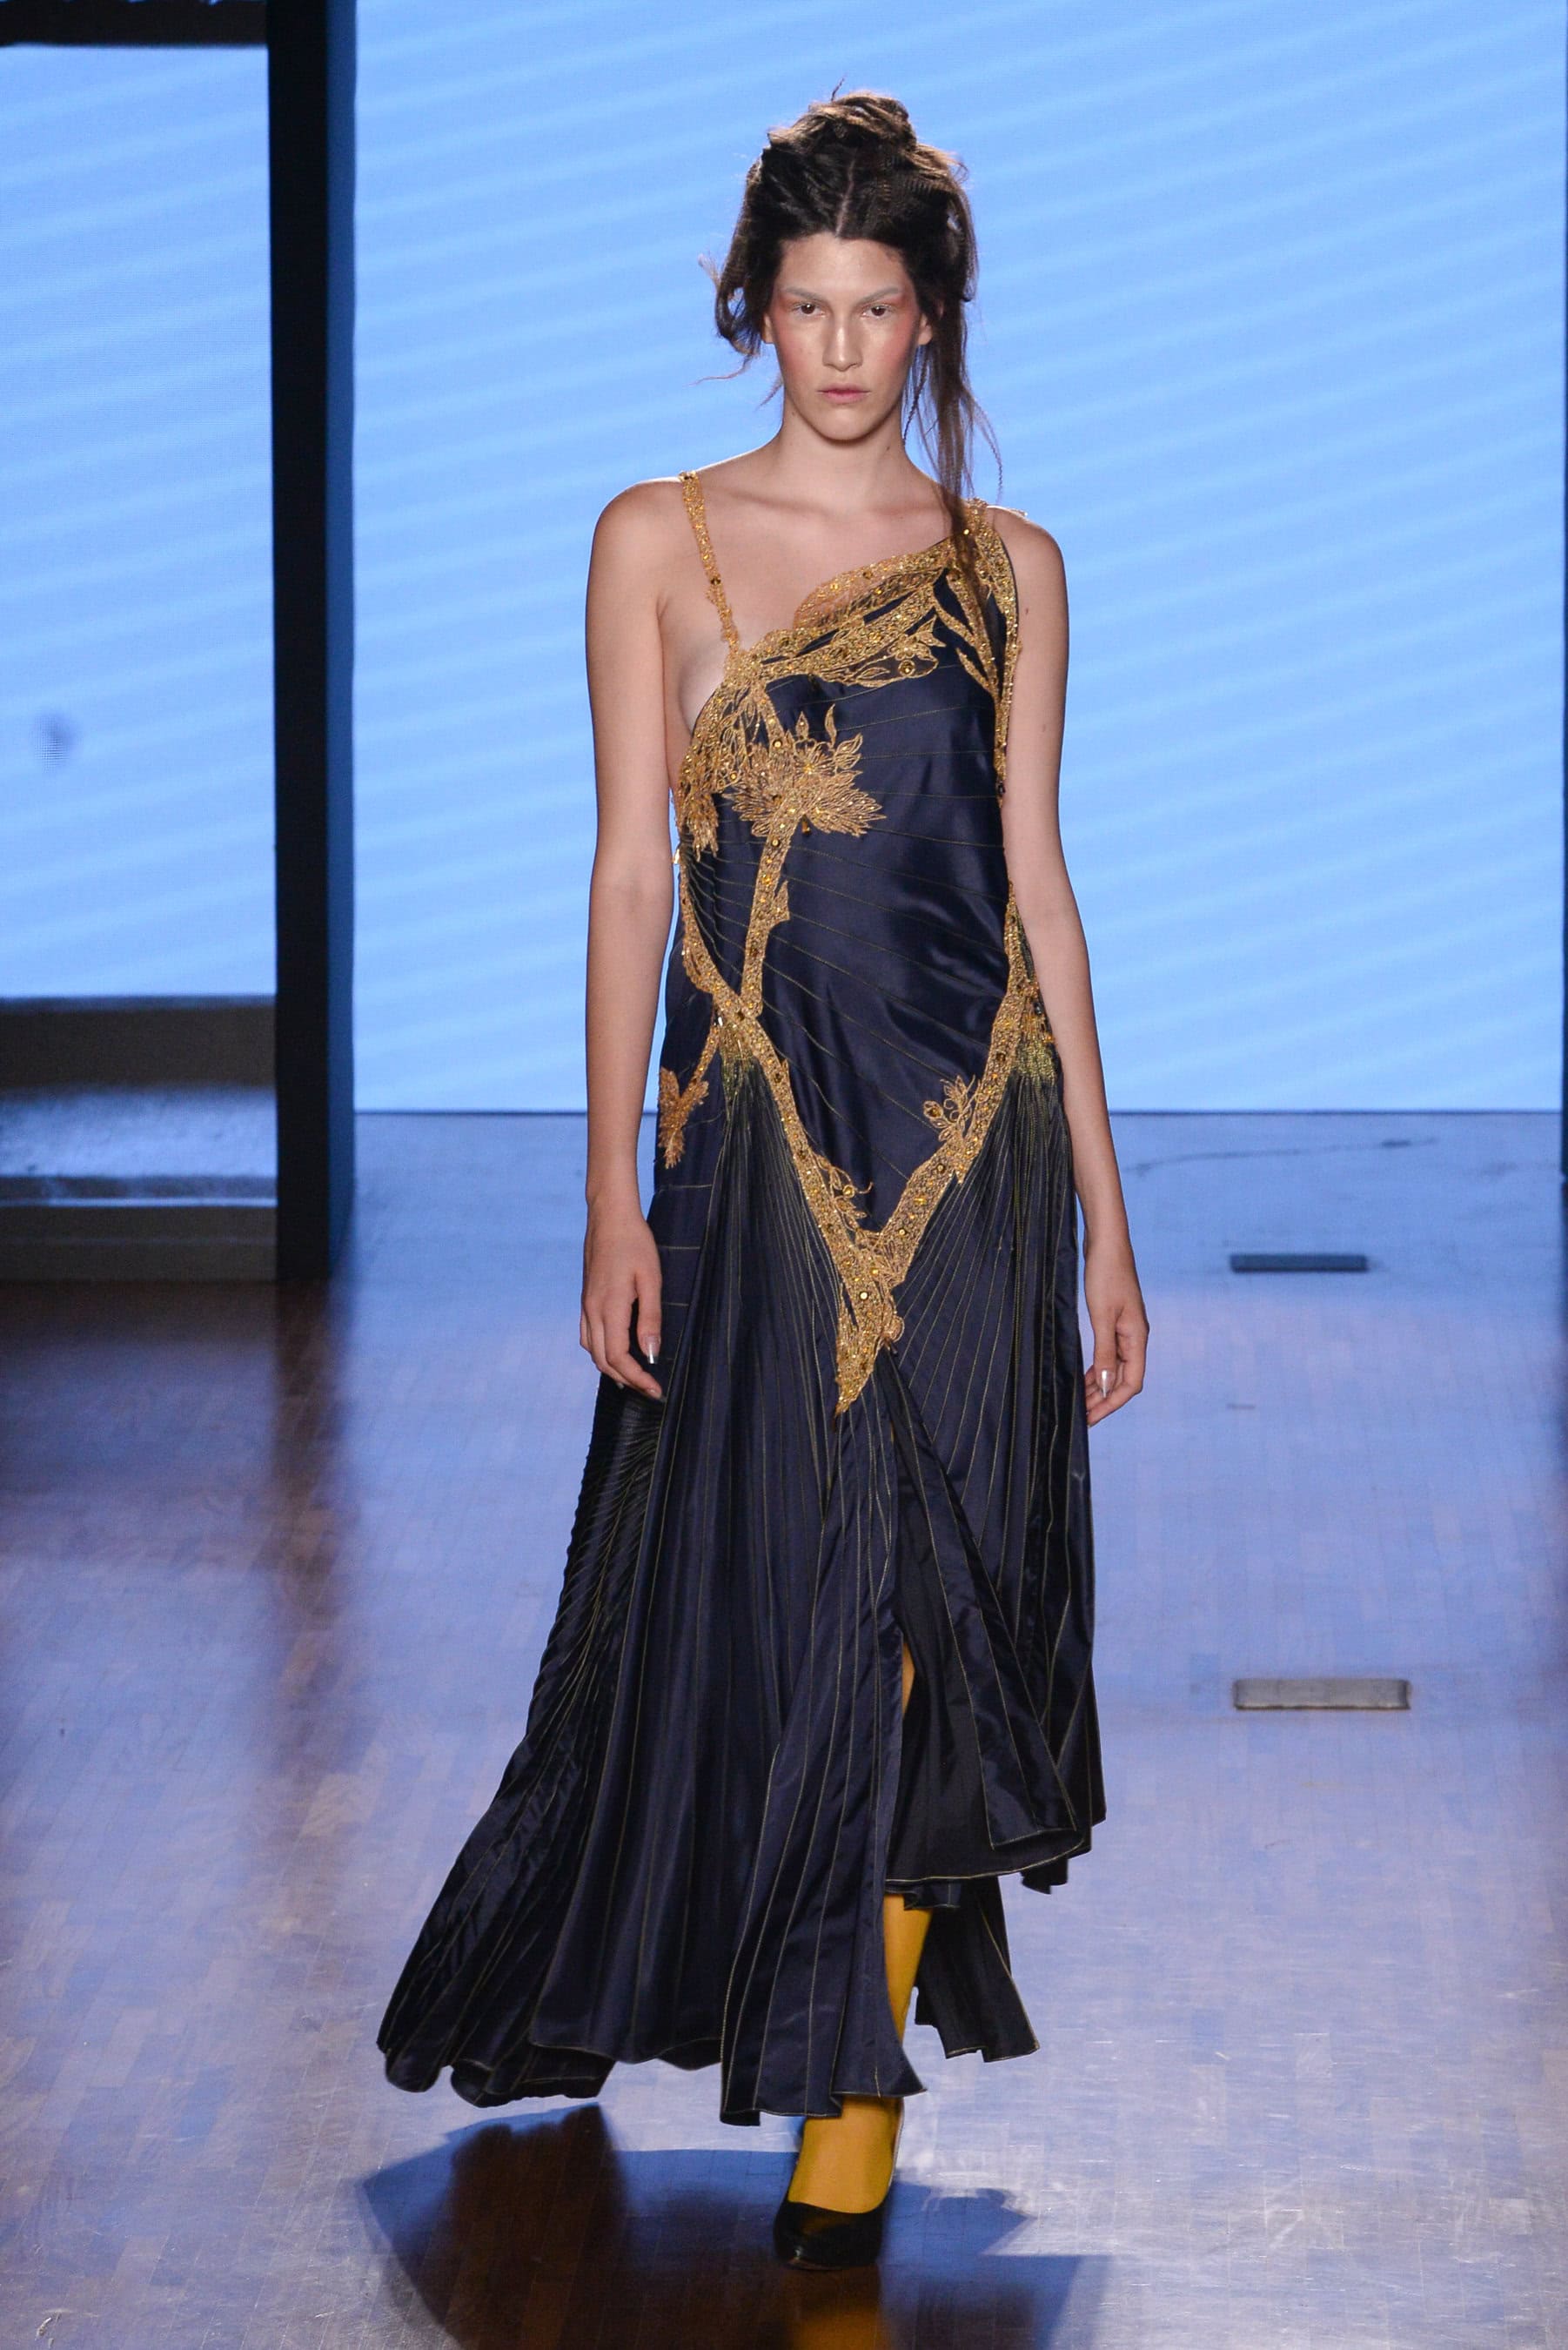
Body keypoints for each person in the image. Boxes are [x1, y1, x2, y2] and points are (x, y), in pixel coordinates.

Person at [378, 89, 1149, 2273]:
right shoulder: (660, 540)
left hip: (975, 1144)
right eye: (805, 308)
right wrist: (610, 1194)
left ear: (932, 320)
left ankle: (848, 2101)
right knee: (767, 1609)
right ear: (753, 310)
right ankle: (727, 2005)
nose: (839, 350)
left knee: (939, 1622)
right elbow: (631, 872)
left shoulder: (1012, 570)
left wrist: (1108, 1213)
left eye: (876, 309)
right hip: (761, 1141)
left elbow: (1040, 890)